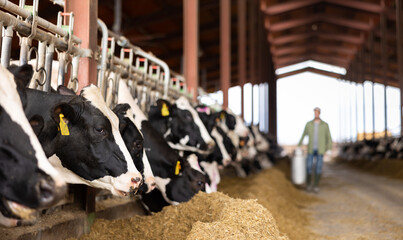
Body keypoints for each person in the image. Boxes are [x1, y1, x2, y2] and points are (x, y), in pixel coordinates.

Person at [298, 107, 332, 193]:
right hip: (310, 149)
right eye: (315, 112)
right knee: (309, 166)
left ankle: (316, 185)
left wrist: (329, 148)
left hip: (320, 150)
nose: (316, 114)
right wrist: (299, 145)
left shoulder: (325, 125)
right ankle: (309, 184)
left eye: (317, 112)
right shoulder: (309, 124)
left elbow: (329, 137)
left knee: (318, 167)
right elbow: (303, 135)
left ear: (319, 113)